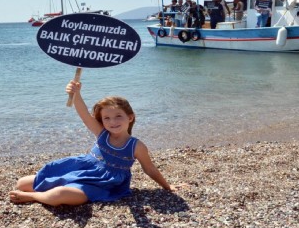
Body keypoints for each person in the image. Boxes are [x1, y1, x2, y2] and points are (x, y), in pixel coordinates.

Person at [9, 80, 176, 206]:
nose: (113, 122)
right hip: (83, 170)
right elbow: (83, 113)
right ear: (102, 121)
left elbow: (149, 168)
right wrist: (76, 93)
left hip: (103, 183)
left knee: (59, 194)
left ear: (130, 117)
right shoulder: (102, 134)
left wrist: (167, 187)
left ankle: (32, 197)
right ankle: (47, 190)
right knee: (22, 183)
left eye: (118, 116)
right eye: (107, 118)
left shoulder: (136, 146)